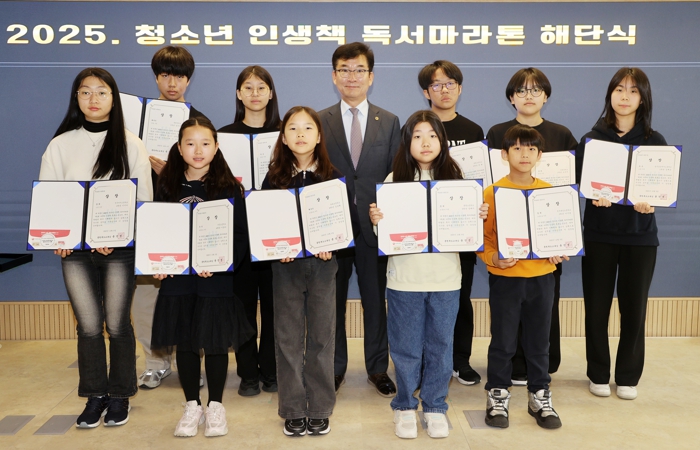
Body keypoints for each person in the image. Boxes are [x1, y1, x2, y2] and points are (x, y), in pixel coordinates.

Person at [39, 67, 153, 428]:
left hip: (119, 250)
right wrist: (59, 237)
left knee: (117, 324)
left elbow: (143, 200)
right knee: (88, 326)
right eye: (85, 92)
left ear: (113, 99)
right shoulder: (60, 144)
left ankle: (119, 395)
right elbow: (50, 198)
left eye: (101, 92)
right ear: (76, 98)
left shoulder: (131, 143)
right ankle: (94, 395)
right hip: (74, 252)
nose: (93, 98)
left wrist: (115, 236)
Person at [370, 110, 488, 439]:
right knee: (406, 347)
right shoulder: (394, 180)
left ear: (442, 141)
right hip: (404, 279)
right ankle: (405, 406)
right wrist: (378, 221)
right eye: (418, 136)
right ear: (407, 142)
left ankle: (435, 406)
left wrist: (477, 215)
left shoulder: (458, 181)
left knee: (440, 346)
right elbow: (385, 236)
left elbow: (469, 233)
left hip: (446, 280)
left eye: (432, 135)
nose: (425, 142)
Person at [150, 117, 254, 437]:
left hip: (215, 277)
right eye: (190, 143)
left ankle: (216, 406)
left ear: (216, 147)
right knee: (186, 341)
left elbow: (240, 236)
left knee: (215, 342)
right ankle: (192, 405)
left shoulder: (228, 187)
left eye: (205, 143)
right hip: (179, 278)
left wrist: (220, 262)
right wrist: (158, 262)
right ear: (179, 148)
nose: (198, 150)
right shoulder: (166, 185)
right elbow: (157, 228)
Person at [575, 67, 665, 401]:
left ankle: (627, 376)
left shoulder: (655, 141)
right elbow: (580, 184)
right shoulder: (592, 139)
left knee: (634, 309)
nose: (625, 97)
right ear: (610, 95)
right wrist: (592, 195)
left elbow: (661, 187)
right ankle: (598, 373)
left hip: (640, 238)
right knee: (596, 308)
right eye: (619, 89)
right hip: (599, 235)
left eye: (633, 91)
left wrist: (652, 202)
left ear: (643, 98)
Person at [318, 42, 401, 397]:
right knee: (331, 303)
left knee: (374, 302)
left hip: (373, 227)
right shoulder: (320, 121)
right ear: (334, 76)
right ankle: (335, 368)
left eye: (359, 70)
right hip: (332, 229)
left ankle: (377, 368)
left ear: (371, 76)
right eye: (345, 70)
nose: (352, 77)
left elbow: (396, 177)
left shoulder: (389, 121)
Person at [262, 106, 350, 437]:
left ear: (319, 136)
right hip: (285, 268)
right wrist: (276, 248)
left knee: (322, 338)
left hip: (323, 266)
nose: (300, 134)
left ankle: (321, 407)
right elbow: (265, 224)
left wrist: (333, 245)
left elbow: (345, 224)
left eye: (308, 128)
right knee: (287, 338)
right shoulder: (273, 178)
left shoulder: (333, 176)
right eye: (293, 128)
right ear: (283, 138)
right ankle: (293, 408)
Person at [486, 68, 577, 384]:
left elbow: (566, 200)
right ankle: (507, 377)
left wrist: (560, 243)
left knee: (541, 320)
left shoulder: (561, 136)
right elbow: (486, 225)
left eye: (536, 90)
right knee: (506, 326)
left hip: (543, 258)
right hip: (507, 262)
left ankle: (541, 378)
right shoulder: (497, 135)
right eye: (521, 90)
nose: (529, 96)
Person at [480, 124, 568, 430]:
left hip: (542, 278)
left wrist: (559, 250)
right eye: (517, 148)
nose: (524, 154)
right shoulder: (492, 193)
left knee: (539, 341)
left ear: (540, 155)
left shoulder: (550, 192)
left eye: (531, 148)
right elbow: (484, 239)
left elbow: (559, 234)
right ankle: (497, 394)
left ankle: (539, 395)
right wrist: (494, 258)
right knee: (503, 341)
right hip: (506, 279)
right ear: (504, 155)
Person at [134, 45, 209, 390]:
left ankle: (189, 361)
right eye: (165, 75)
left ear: (189, 80)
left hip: (189, 222)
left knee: (190, 296)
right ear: (156, 78)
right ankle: (154, 362)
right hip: (150, 216)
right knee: (147, 295)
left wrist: (172, 171)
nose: (172, 83)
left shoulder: (199, 122)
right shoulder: (136, 123)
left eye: (179, 76)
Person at [418, 60, 484, 386]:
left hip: (461, 230)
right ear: (425, 92)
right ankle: (423, 362)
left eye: (450, 84)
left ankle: (460, 360)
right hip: (423, 232)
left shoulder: (473, 131)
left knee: (460, 296)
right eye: (436, 84)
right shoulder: (418, 127)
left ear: (459, 88)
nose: (444, 90)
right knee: (423, 300)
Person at [218, 65, 280, 396]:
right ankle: (247, 373)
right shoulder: (222, 136)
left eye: (261, 87)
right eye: (248, 87)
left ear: (271, 94)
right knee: (241, 308)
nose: (255, 93)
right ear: (238, 94)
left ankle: (271, 370)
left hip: (274, 233)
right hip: (237, 234)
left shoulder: (286, 133)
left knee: (274, 307)